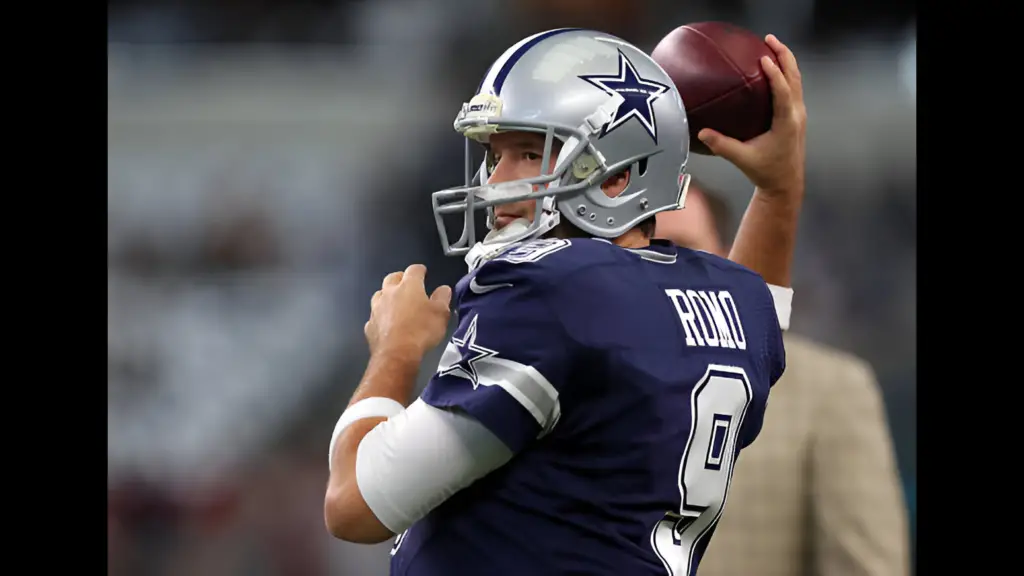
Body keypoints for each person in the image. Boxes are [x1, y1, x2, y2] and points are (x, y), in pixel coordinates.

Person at [324, 28, 807, 576]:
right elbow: (763, 313)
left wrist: (396, 349)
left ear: (619, 175)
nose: (494, 182)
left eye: (530, 154)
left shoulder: (551, 290)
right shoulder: (735, 302)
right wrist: (779, 189)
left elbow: (353, 507)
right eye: (494, 154)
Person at [656, 183, 910, 576]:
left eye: (681, 248)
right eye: (640, 250)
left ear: (727, 264)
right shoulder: (558, 379)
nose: (658, 268)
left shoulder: (827, 392)